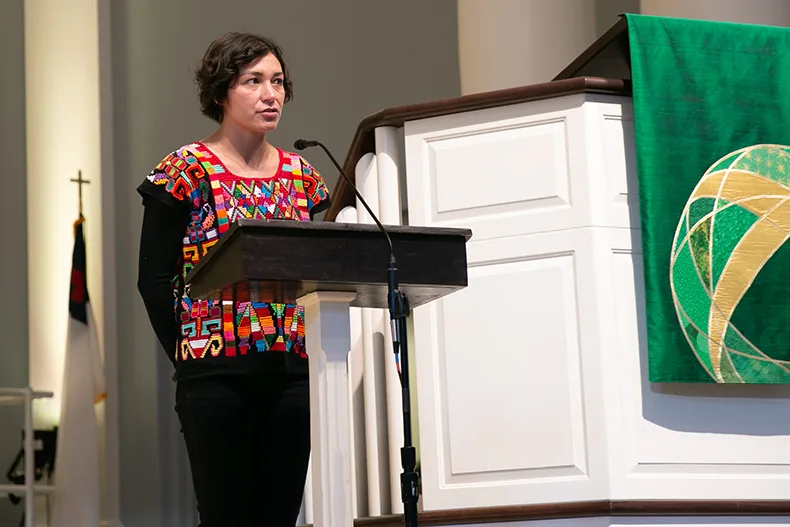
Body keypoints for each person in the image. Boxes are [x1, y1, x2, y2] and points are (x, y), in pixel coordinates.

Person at [136, 32, 330, 526]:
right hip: (214, 375)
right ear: (221, 92)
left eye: (278, 82)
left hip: (291, 374)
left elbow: (317, 272)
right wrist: (187, 355)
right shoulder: (184, 170)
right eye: (253, 81)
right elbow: (153, 279)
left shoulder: (303, 176)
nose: (271, 94)